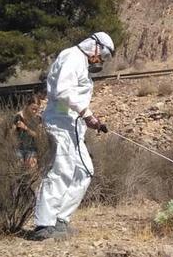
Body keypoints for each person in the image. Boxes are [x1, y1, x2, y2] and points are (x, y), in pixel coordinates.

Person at [29, 32, 114, 241]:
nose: (101, 60)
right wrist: (86, 114)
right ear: (94, 46)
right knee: (62, 170)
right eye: (102, 54)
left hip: (72, 125)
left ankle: (60, 220)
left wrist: (86, 117)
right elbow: (63, 90)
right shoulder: (72, 57)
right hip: (59, 123)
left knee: (85, 170)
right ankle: (43, 225)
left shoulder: (81, 63)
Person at [11, 96, 43, 169]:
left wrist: (25, 128)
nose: (34, 111)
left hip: (32, 147)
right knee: (18, 167)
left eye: (36, 109)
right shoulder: (18, 116)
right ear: (28, 106)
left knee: (33, 168)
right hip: (19, 147)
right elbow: (11, 133)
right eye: (33, 109)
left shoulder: (38, 118)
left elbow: (37, 135)